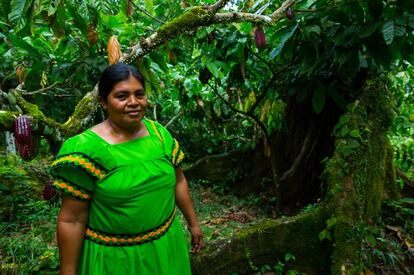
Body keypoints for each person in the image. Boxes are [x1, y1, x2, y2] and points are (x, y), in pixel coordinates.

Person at [50, 63, 203, 274]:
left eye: (139, 94)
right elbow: (72, 219)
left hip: (166, 247)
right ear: (103, 101)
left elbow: (178, 181)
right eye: (122, 96)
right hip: (113, 260)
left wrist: (193, 224)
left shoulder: (159, 135)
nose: (134, 102)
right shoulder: (85, 150)